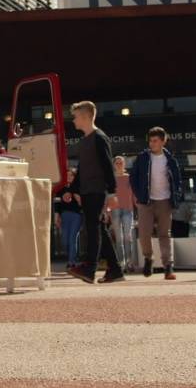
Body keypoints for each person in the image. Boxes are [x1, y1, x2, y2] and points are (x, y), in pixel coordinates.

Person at [65, 101, 124, 285]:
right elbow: (82, 169)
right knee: (99, 229)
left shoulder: (99, 138)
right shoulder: (85, 141)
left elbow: (107, 165)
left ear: (85, 117)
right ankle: (115, 269)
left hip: (97, 191)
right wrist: (72, 190)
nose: (73, 120)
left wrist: (112, 193)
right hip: (87, 191)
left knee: (92, 229)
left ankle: (89, 269)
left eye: (75, 117)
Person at [130, 126, 182, 279]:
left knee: (164, 234)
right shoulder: (142, 157)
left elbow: (178, 180)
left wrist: (175, 196)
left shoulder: (170, 159)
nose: (151, 143)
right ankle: (148, 258)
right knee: (144, 233)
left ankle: (168, 267)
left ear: (163, 141)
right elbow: (133, 177)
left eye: (155, 141)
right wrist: (138, 194)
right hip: (146, 201)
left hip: (165, 201)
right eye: (150, 141)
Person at [111, 155, 137, 273]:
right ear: (114, 165)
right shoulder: (111, 178)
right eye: (117, 163)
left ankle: (129, 263)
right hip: (115, 209)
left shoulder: (129, 178)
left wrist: (139, 206)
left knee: (128, 237)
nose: (119, 165)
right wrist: (106, 210)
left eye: (121, 162)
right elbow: (108, 195)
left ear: (124, 164)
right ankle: (121, 264)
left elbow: (134, 194)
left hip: (128, 209)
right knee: (119, 238)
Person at [54, 168, 84, 265]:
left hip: (76, 216)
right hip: (64, 216)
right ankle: (72, 258)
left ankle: (72, 262)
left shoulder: (79, 188)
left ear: (75, 177)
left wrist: (77, 197)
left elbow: (82, 203)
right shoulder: (61, 189)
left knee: (72, 239)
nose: (69, 177)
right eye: (67, 175)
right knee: (65, 241)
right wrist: (56, 216)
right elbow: (57, 204)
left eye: (71, 175)